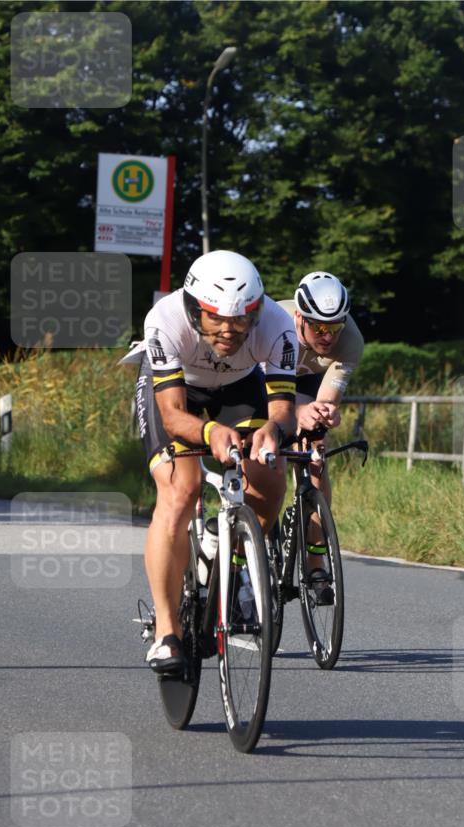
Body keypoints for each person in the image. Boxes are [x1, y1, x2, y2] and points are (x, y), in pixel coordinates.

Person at [121, 250, 297, 674]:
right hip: (180, 391)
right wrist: (209, 433)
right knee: (182, 490)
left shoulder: (278, 325)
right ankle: (166, 633)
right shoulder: (165, 319)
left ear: (257, 311)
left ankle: (235, 568)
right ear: (193, 308)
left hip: (239, 387)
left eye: (241, 321)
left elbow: (282, 409)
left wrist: (273, 432)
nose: (229, 332)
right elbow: (172, 414)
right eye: (216, 319)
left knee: (270, 478)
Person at [277, 271, 364, 602]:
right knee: (266, 451)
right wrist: (292, 414)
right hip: (268, 377)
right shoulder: (273, 324)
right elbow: (264, 401)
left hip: (310, 382)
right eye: (318, 328)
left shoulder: (350, 340)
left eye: (334, 327)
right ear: (299, 316)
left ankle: (315, 562)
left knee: (316, 453)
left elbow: (326, 400)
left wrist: (324, 413)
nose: (327, 336)